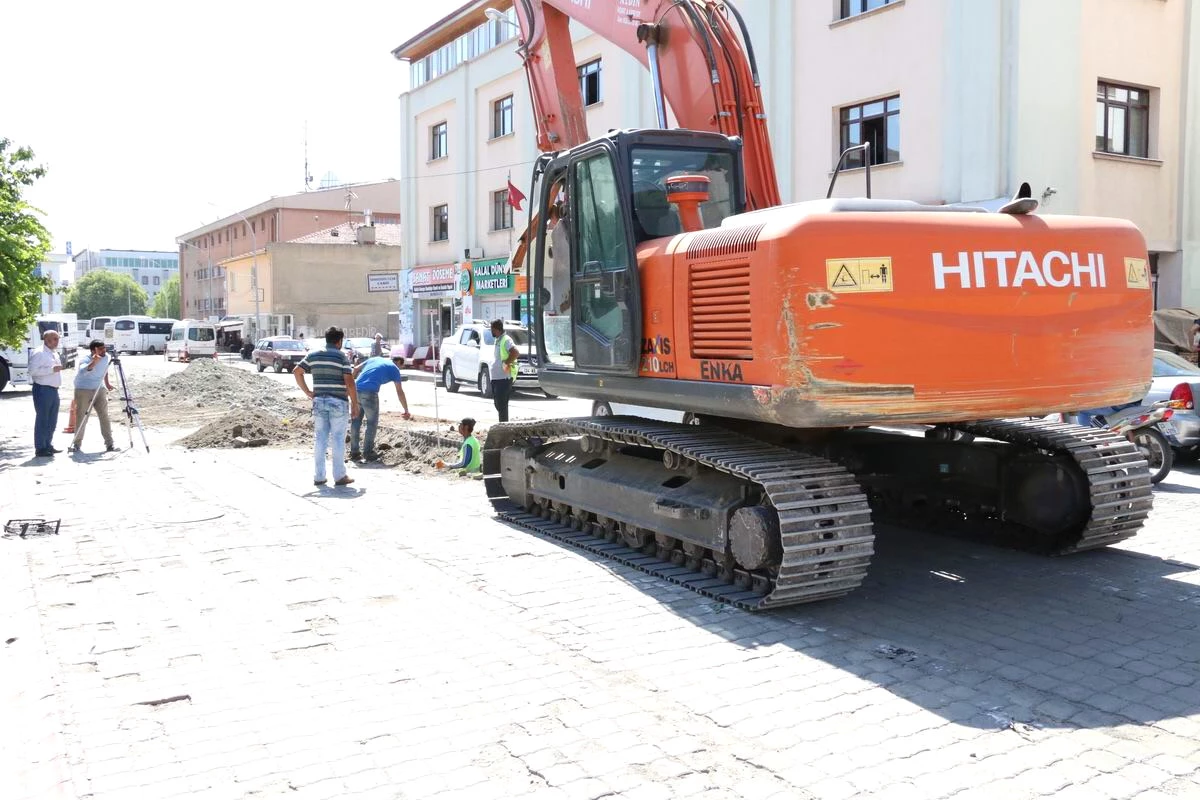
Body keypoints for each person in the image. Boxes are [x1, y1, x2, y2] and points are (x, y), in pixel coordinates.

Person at [294, 326, 359, 486]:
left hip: (319, 401)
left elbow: (297, 371)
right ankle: (339, 476)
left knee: (320, 438)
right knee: (337, 438)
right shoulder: (341, 357)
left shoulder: (313, 355)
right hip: (338, 402)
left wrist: (308, 392)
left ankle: (319, 476)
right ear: (339, 341)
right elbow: (349, 382)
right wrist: (355, 404)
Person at [349, 345, 412, 462]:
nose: (400, 369)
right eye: (401, 366)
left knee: (356, 421)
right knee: (372, 423)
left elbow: (356, 368)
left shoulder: (375, 359)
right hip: (370, 393)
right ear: (398, 362)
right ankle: (368, 453)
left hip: (356, 390)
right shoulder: (395, 369)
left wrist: (351, 386)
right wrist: (406, 410)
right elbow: (400, 392)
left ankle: (354, 452)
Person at [69, 340, 118, 455]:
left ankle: (109, 443)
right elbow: (83, 371)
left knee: (104, 415)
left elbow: (105, 370)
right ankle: (77, 444)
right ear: (93, 350)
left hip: (99, 389)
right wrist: (94, 362)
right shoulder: (85, 359)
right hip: (83, 389)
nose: (103, 350)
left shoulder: (106, 357)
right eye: (100, 349)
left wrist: (107, 383)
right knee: (82, 416)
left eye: (104, 348)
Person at [29, 329, 64, 457]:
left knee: (52, 420)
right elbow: (33, 371)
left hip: (53, 389)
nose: (57, 341)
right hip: (43, 389)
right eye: (55, 339)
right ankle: (40, 448)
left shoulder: (53, 353)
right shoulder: (39, 353)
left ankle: (47, 444)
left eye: (57, 339)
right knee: (42, 419)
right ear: (47, 340)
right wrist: (51, 369)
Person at [489, 319, 519, 423]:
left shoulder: (506, 339)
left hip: (504, 378)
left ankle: (503, 426)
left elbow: (515, 352)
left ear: (496, 329)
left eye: (491, 329)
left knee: (502, 405)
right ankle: (502, 425)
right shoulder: (498, 339)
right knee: (498, 404)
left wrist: (506, 363)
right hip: (497, 378)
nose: (490, 331)